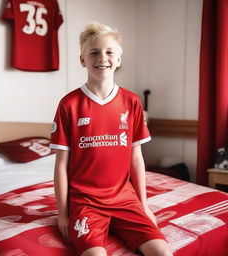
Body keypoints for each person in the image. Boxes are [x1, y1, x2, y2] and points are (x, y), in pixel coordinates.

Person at [50, 21, 173, 256]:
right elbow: (61, 164)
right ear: (82, 60)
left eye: (109, 52)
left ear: (118, 60)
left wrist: (144, 206)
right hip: (86, 203)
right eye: (93, 52)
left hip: (125, 200)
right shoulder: (69, 105)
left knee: (162, 251)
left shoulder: (132, 102)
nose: (102, 58)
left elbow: (136, 158)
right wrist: (63, 212)